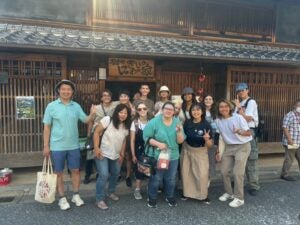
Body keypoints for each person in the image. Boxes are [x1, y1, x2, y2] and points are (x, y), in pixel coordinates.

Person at [43, 80, 96, 210]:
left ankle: (76, 195)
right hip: (56, 146)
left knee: (76, 170)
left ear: (72, 92)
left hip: (73, 145)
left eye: (68, 89)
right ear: (59, 91)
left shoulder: (76, 106)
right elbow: (47, 127)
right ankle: (61, 197)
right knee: (58, 173)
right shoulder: (51, 106)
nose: (66, 91)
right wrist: (46, 146)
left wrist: (93, 113)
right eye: (63, 89)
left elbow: (85, 120)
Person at [143, 101, 185, 208]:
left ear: (174, 112)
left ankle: (169, 196)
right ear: (162, 110)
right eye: (166, 109)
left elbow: (180, 141)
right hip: (158, 155)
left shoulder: (177, 122)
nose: (168, 111)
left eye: (171, 109)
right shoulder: (154, 122)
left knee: (171, 178)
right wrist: (158, 143)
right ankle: (152, 197)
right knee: (156, 178)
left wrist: (179, 132)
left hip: (173, 155)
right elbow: (146, 137)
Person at [93, 104, 131, 210]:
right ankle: (99, 199)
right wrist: (96, 148)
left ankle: (111, 192)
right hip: (102, 152)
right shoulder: (107, 120)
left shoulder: (126, 126)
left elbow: (124, 141)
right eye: (121, 112)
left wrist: (122, 154)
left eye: (125, 113)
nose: (123, 115)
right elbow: (96, 132)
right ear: (116, 112)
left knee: (115, 173)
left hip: (116, 154)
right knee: (104, 175)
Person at [215, 99, 252, 208]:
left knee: (237, 173)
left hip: (242, 146)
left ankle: (239, 198)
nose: (224, 108)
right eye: (221, 107)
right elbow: (221, 137)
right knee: (224, 171)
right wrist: (219, 151)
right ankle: (229, 193)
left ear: (230, 107)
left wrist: (240, 131)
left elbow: (249, 133)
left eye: (226, 106)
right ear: (218, 109)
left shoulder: (238, 117)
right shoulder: (218, 120)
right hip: (229, 147)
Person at [84, 89, 118, 184]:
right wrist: (89, 134)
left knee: (103, 154)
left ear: (111, 97)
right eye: (104, 95)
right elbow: (90, 121)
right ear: (101, 98)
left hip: (108, 135)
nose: (106, 97)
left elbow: (125, 101)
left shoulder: (115, 105)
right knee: (90, 155)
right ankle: (88, 174)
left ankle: (101, 173)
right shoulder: (96, 108)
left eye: (108, 95)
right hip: (96, 134)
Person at [181, 103, 213, 204]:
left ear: (202, 111)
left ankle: (203, 195)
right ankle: (186, 193)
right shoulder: (187, 123)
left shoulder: (206, 124)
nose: (196, 112)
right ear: (190, 112)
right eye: (193, 110)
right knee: (186, 173)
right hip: (187, 150)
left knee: (202, 174)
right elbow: (183, 136)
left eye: (198, 110)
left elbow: (210, 145)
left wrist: (207, 139)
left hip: (200, 151)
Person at [234, 83, 260, 196]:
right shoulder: (240, 103)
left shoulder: (251, 102)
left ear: (247, 90)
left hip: (249, 132)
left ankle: (254, 185)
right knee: (239, 159)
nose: (241, 92)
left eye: (243, 90)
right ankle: (240, 183)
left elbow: (248, 118)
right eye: (238, 91)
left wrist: (239, 107)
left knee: (251, 159)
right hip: (239, 132)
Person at [130, 102, 152, 200]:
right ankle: (137, 189)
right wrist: (133, 155)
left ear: (147, 109)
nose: (142, 110)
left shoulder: (152, 121)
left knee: (150, 170)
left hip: (151, 149)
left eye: (144, 108)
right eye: (139, 109)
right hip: (139, 150)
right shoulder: (135, 123)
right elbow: (132, 140)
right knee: (139, 170)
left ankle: (150, 189)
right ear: (137, 111)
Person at [280, 100, 300, 181]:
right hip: (291, 141)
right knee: (290, 159)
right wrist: (289, 140)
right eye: (298, 106)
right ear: (294, 106)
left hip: (299, 141)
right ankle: (284, 174)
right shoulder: (290, 115)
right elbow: (285, 127)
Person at [118, 90, 135, 187]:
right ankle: (118, 174)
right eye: (121, 96)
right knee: (118, 154)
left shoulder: (132, 107)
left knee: (128, 156)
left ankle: (128, 176)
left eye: (125, 96)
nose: (123, 98)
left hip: (128, 133)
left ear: (128, 97)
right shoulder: (116, 107)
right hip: (117, 133)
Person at [203, 94, 218, 179]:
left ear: (212, 101)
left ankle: (209, 178)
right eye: (206, 99)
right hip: (203, 136)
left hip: (214, 136)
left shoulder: (216, 111)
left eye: (210, 99)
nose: (208, 100)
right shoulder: (200, 110)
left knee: (211, 158)